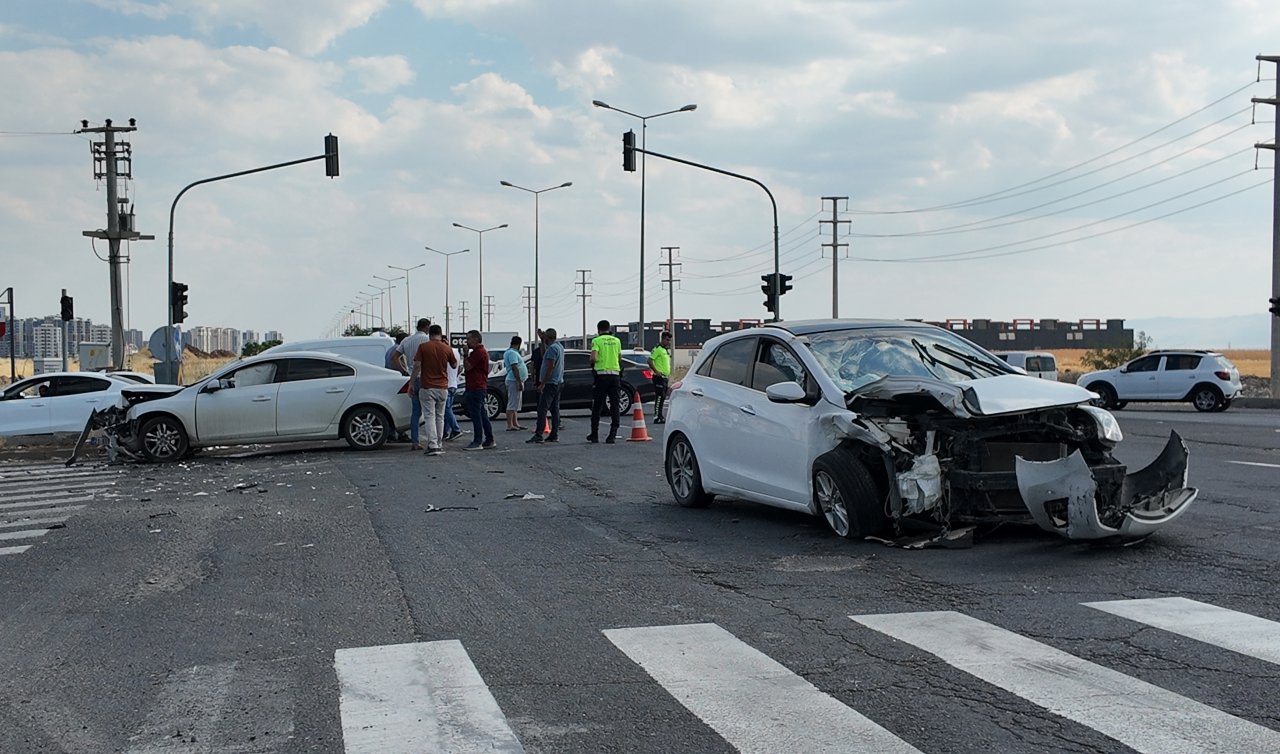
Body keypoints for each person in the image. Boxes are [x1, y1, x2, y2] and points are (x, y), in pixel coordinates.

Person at [410, 324, 456, 456]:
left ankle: (433, 444)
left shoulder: (423, 347)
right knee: (440, 416)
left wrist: (411, 383)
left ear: (429, 334)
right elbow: (454, 365)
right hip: (443, 387)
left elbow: (417, 365)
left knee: (429, 416)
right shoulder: (446, 348)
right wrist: (448, 348)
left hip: (427, 386)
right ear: (441, 334)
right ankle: (439, 443)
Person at [588, 319, 623, 444]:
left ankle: (595, 434)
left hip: (601, 376)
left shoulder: (596, 341)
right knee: (615, 405)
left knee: (597, 405)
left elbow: (593, 357)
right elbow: (619, 358)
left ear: (598, 330)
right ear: (609, 328)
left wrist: (592, 363)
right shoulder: (617, 341)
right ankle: (612, 435)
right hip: (615, 376)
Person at [398, 319, 432, 450]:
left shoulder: (406, 340)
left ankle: (415, 441)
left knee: (416, 412)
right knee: (430, 411)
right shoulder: (427, 340)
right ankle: (433, 441)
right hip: (425, 378)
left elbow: (395, 356)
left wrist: (403, 369)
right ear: (426, 327)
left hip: (412, 377)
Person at [527, 328, 564, 444]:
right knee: (554, 409)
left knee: (542, 408)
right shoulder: (559, 347)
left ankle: (539, 434)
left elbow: (550, 366)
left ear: (549, 338)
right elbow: (543, 355)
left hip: (550, 383)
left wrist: (542, 383)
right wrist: (542, 341)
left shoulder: (553, 349)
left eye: (545, 338)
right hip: (558, 382)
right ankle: (554, 434)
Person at [461, 330, 496, 450]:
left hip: (476, 387)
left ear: (476, 339)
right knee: (481, 414)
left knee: (476, 415)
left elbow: (468, 366)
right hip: (478, 386)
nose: (467, 342)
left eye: (469, 339)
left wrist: (465, 355)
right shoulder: (480, 352)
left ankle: (477, 441)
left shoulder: (478, 352)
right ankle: (489, 439)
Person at [502, 335, 528, 431]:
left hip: (515, 380)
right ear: (519, 344)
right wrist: (518, 381)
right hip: (513, 380)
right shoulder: (512, 353)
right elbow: (514, 367)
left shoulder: (511, 352)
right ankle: (510, 425)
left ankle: (515, 423)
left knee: (516, 403)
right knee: (512, 402)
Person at [649, 331, 673, 423]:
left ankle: (660, 415)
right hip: (659, 377)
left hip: (665, 377)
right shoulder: (658, 349)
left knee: (663, 397)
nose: (668, 342)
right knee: (659, 397)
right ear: (662, 339)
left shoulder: (665, 350)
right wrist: (656, 371)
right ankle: (656, 416)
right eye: (667, 340)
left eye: (669, 340)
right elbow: (650, 360)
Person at [443, 342, 463, 441]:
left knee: (446, 409)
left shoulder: (444, 352)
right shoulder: (456, 352)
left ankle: (456, 429)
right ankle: (445, 432)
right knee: (448, 409)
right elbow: (459, 368)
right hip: (454, 384)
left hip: (446, 384)